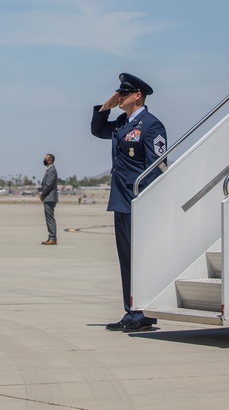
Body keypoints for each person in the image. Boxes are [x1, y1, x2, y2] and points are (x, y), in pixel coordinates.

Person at [91, 73, 167, 333]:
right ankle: (131, 310)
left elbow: (155, 167)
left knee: (141, 259)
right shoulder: (122, 123)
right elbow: (98, 130)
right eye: (118, 94)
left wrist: (147, 201)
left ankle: (144, 313)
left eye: (123, 94)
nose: (119, 97)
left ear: (137, 95)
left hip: (139, 202)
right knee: (127, 260)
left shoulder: (151, 125)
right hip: (121, 200)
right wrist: (106, 107)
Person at [39, 153, 59, 245]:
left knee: (50, 218)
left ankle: (52, 238)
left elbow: (48, 185)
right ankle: (50, 237)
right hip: (48, 197)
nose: (44, 161)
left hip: (50, 197)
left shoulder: (52, 170)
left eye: (45, 159)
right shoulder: (49, 170)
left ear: (50, 160)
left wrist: (42, 194)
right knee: (48, 218)